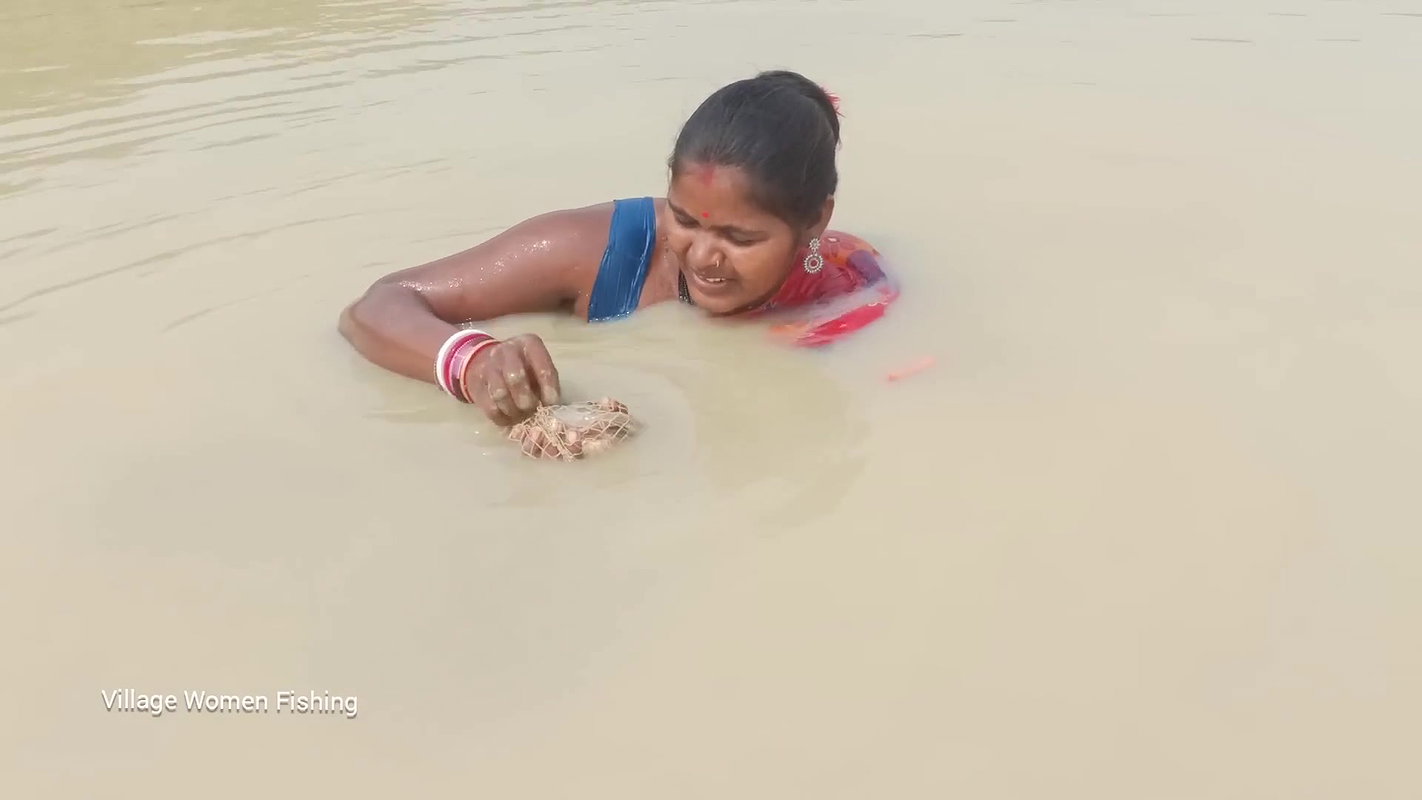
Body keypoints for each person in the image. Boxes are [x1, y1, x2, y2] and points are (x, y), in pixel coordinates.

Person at [338, 69, 896, 427]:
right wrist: (475, 362)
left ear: (817, 219)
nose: (701, 256)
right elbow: (375, 307)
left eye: (739, 237)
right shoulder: (594, 252)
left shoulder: (850, 282)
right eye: (684, 220)